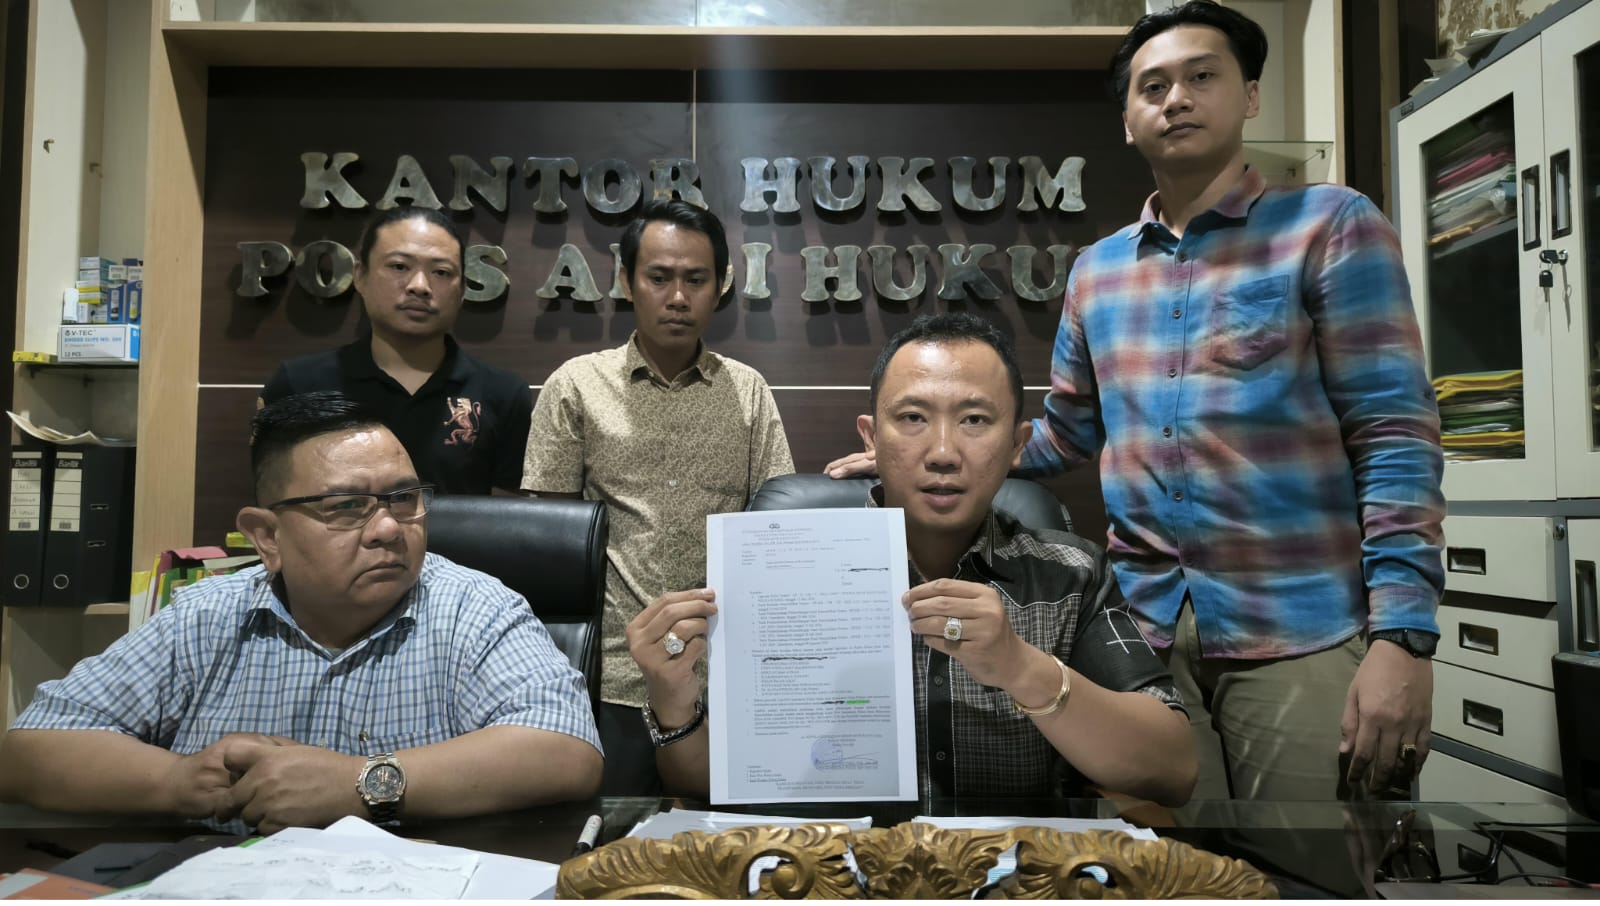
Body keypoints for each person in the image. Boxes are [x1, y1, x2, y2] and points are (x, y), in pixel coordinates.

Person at [827, 1, 1445, 802]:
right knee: (1162, 859)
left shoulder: (1328, 226)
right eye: (1153, 87)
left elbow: (1395, 434)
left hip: (1300, 624)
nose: (1176, 99)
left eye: (1201, 76)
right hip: (1145, 627)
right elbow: (1065, 433)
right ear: (1127, 120)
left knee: (1308, 860)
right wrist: (938, 450)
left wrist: (1404, 635)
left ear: (1249, 96)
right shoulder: (1098, 270)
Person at [632, 313, 1196, 804]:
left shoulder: (1071, 574)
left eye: (975, 420)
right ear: (871, 438)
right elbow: (706, 783)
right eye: (912, 418)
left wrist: (1021, 668)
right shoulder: (778, 573)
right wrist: (673, 700)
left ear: (1017, 444)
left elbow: (1173, 770)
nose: (943, 453)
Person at [0, 392, 602, 833]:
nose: (389, 528)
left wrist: (361, 782)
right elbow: (29, 749)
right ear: (267, 537)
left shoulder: (475, 608)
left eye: (403, 498)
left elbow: (566, 751)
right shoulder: (204, 617)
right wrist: (178, 782)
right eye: (347, 507)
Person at [521, 199, 795, 795]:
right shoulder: (576, 387)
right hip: (609, 678)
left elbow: (778, 534)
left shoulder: (748, 392)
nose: (677, 297)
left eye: (695, 280)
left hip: (724, 677)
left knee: (723, 841)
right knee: (612, 840)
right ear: (626, 281)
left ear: (720, 285)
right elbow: (547, 548)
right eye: (659, 277)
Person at [260, 206, 531, 496]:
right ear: (360, 276)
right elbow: (275, 501)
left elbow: (506, 516)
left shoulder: (503, 395)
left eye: (441, 272)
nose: (420, 286)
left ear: (462, 289)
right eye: (400, 266)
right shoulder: (298, 385)